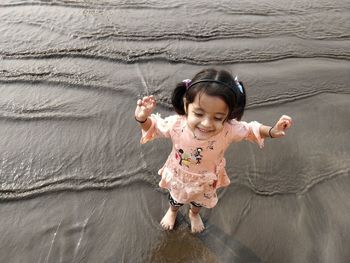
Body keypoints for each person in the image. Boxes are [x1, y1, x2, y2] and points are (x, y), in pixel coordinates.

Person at [134, 68, 292, 233]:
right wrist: (142, 118)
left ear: (228, 115)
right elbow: (153, 127)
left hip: (206, 180)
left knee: (199, 203)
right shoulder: (176, 124)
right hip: (179, 175)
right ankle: (172, 212)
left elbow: (251, 129)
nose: (207, 123)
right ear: (187, 105)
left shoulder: (228, 129)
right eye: (199, 113)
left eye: (218, 117)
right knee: (175, 198)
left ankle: (194, 215)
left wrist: (272, 131)